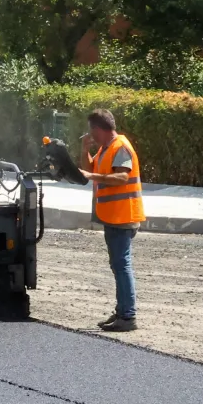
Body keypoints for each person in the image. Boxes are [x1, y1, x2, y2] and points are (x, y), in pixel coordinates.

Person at [79, 108, 146, 333]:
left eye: (92, 130)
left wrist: (93, 176)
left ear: (99, 128)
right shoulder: (105, 148)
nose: (90, 134)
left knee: (122, 265)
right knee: (118, 264)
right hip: (114, 215)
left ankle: (127, 316)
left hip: (123, 215)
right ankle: (122, 312)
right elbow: (88, 170)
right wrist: (84, 150)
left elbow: (121, 177)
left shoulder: (120, 147)